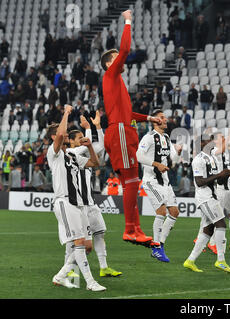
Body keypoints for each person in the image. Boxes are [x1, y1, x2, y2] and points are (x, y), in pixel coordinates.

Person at [100, 10, 162, 247]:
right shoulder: (111, 74)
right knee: (131, 181)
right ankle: (129, 230)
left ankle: (135, 228)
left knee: (132, 181)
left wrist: (149, 117)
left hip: (124, 129)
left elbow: (129, 114)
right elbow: (125, 49)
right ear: (109, 63)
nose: (121, 59)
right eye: (115, 57)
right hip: (120, 132)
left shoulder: (117, 83)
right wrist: (127, 20)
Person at [46, 105, 106, 291]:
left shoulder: (71, 156)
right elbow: (62, 134)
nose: (63, 135)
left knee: (85, 245)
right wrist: (65, 113)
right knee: (79, 243)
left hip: (79, 203)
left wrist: (89, 146)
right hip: (64, 202)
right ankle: (90, 282)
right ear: (53, 137)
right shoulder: (53, 153)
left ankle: (61, 275)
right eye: (59, 134)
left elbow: (95, 163)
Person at [67, 114, 122, 278]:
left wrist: (97, 127)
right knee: (79, 241)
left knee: (100, 233)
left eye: (83, 137)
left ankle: (104, 267)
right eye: (79, 138)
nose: (82, 140)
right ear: (70, 141)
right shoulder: (70, 152)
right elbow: (86, 146)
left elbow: (101, 147)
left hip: (91, 202)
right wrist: (88, 129)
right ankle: (68, 269)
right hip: (78, 204)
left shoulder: (84, 155)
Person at [183, 135, 230, 273]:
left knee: (209, 229)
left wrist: (226, 175)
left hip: (213, 196)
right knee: (221, 224)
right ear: (202, 144)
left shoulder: (212, 158)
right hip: (205, 197)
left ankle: (190, 260)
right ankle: (221, 260)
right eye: (208, 140)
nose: (211, 141)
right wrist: (219, 175)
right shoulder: (198, 160)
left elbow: (218, 180)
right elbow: (199, 182)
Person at [136, 109, 182, 263]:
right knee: (161, 211)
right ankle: (156, 248)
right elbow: (138, 156)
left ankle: (160, 244)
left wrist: (178, 152)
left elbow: (171, 159)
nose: (165, 120)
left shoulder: (166, 137)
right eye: (162, 117)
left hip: (165, 181)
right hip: (151, 181)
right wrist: (155, 164)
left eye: (165, 117)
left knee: (174, 212)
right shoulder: (148, 138)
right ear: (155, 120)